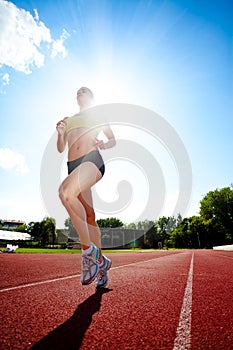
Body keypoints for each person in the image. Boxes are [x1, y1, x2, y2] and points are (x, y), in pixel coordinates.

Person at [56, 87, 116, 287]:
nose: (79, 92)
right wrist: (60, 133)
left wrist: (104, 144)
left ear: (91, 96)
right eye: (77, 91)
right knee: (89, 217)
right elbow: (60, 148)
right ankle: (101, 264)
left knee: (65, 193)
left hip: (91, 160)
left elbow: (112, 139)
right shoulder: (69, 119)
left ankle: (88, 252)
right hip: (73, 166)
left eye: (84, 91)